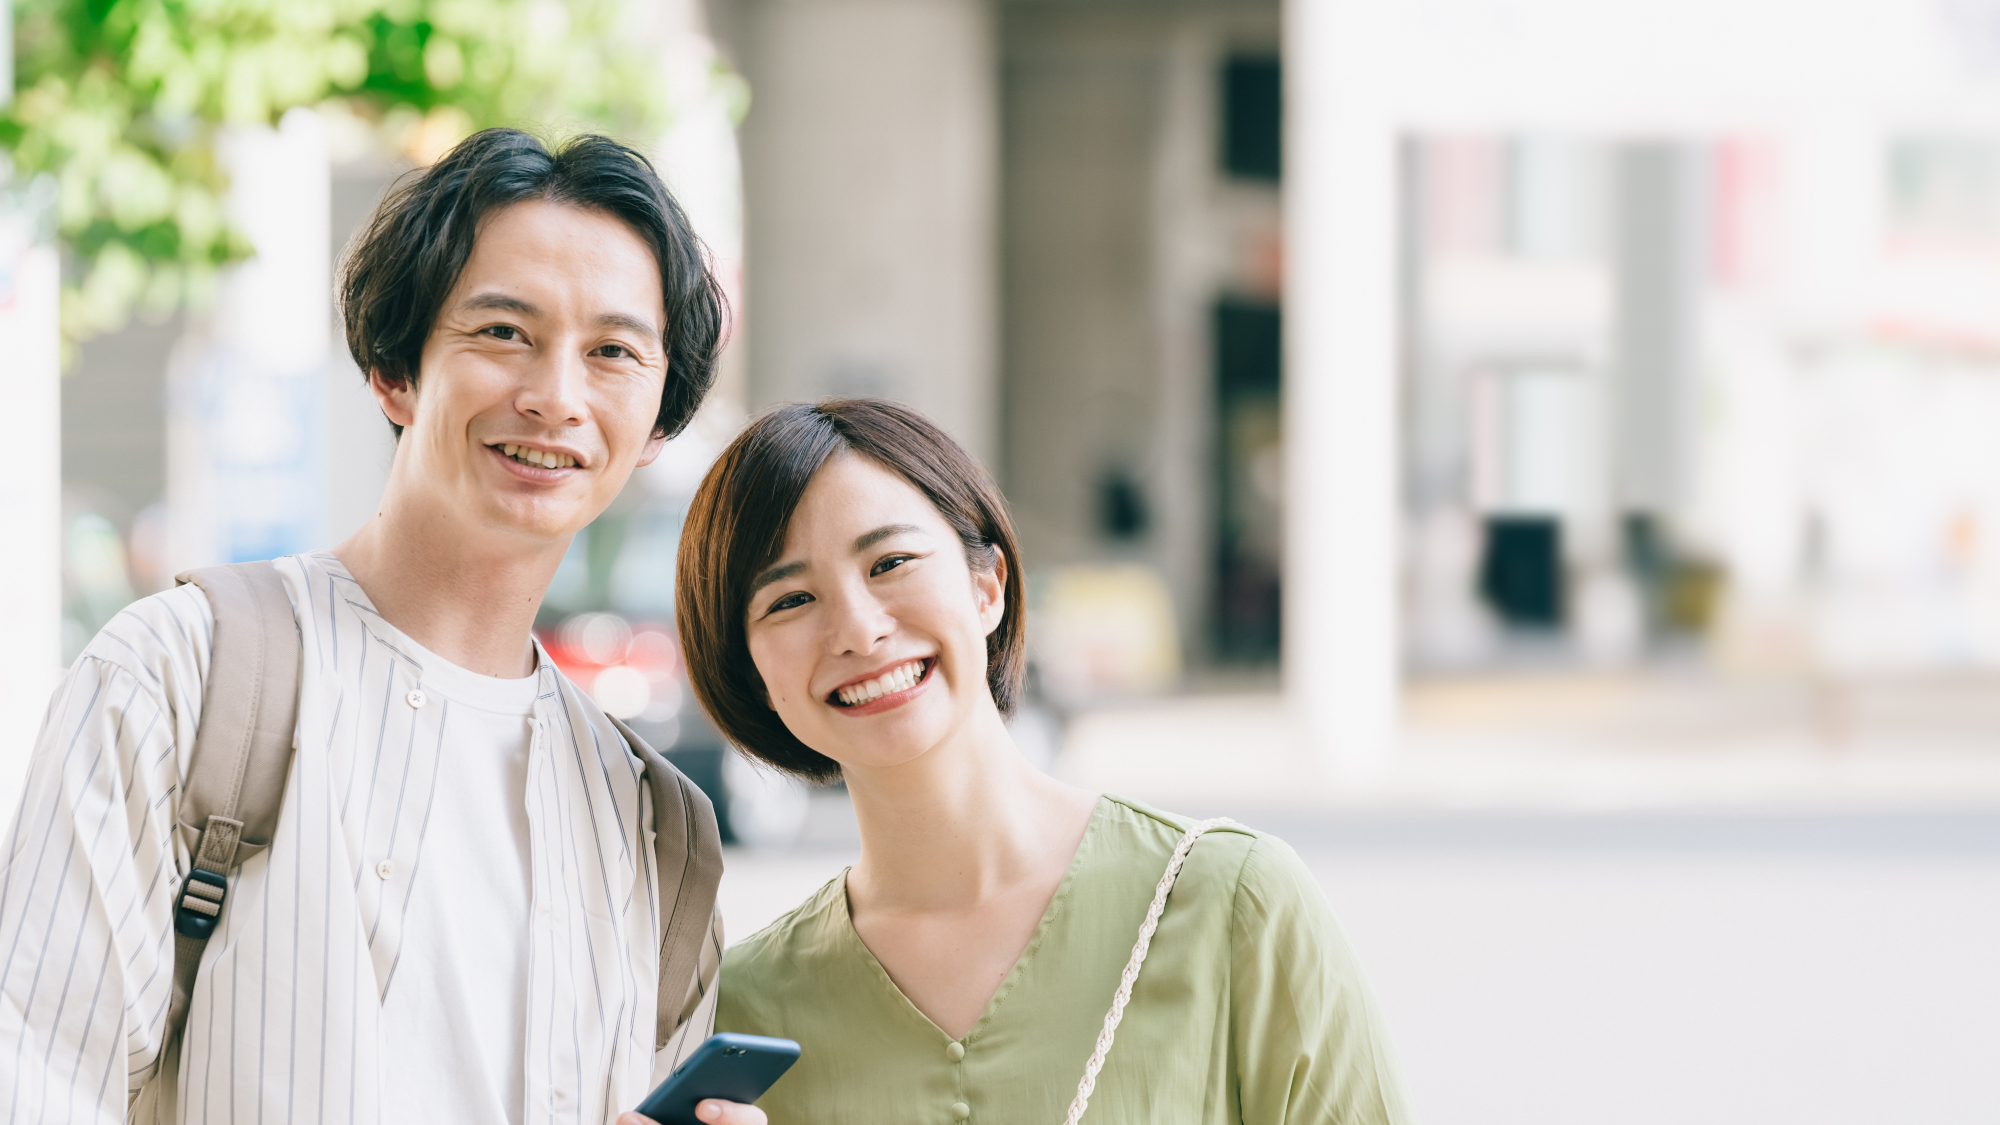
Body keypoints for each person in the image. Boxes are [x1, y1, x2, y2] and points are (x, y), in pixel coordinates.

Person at [0, 129, 765, 1125]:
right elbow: (40, 1081)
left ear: (658, 419)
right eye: (502, 333)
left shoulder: (655, 827)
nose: (556, 397)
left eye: (613, 352)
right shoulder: (178, 676)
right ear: (394, 371)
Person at [675, 398, 1413, 1124]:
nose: (859, 630)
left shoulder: (1231, 903)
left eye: (891, 561)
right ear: (754, 676)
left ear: (986, 585)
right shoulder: (744, 1014)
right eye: (791, 599)